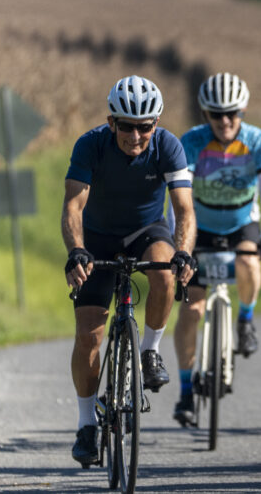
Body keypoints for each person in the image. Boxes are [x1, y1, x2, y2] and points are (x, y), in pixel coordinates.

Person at [63, 75, 197, 466]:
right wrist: (77, 252)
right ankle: (87, 424)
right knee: (89, 335)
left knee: (165, 273)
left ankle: (150, 351)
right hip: (98, 238)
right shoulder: (90, 145)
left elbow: (184, 210)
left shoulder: (169, 146)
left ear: (155, 124)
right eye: (126, 126)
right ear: (111, 122)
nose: (136, 135)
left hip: (146, 230)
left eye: (145, 127)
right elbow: (73, 206)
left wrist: (184, 252)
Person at [172, 72, 261, 426]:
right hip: (199, 227)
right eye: (216, 115)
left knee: (250, 262)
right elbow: (175, 197)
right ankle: (186, 392)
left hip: (240, 223)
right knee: (191, 312)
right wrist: (178, 246)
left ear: (243, 111)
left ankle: (246, 321)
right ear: (205, 115)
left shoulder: (259, 142)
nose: (225, 121)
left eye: (232, 113)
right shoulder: (191, 142)